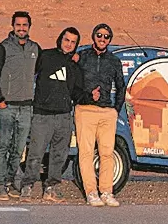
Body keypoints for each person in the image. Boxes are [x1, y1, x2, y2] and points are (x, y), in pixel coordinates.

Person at [19, 27, 83, 202]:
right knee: (36, 152)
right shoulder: (45, 56)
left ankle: (51, 188)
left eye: (73, 42)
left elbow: (77, 91)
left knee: (59, 155)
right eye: (66, 40)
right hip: (42, 115)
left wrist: (91, 96)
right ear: (60, 39)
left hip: (64, 116)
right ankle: (27, 186)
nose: (69, 44)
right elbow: (28, 73)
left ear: (76, 45)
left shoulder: (75, 65)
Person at [0, 11, 41, 200]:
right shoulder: (3, 48)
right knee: (3, 146)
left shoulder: (35, 49)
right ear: (13, 26)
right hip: (7, 106)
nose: (21, 28)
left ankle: (10, 181)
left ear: (29, 27)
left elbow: (43, 71)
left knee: (18, 149)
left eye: (25, 25)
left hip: (26, 107)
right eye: (18, 25)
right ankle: (0, 184)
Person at [74, 23, 126, 207]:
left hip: (107, 112)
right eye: (99, 35)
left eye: (106, 36)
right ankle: (91, 192)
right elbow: (73, 82)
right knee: (86, 153)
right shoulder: (82, 57)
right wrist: (83, 97)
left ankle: (106, 192)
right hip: (85, 110)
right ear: (93, 36)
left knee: (107, 153)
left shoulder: (114, 60)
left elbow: (121, 86)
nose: (102, 39)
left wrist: (115, 109)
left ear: (110, 40)